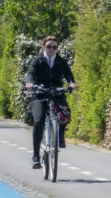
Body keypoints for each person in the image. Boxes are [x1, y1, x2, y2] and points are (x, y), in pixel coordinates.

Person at [25, 36, 77, 169]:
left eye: (54, 47)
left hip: (56, 92)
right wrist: (30, 83)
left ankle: (60, 134)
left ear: (57, 49)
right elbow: (30, 74)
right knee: (38, 121)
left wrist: (71, 83)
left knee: (66, 114)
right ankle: (36, 156)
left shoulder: (60, 61)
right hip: (40, 93)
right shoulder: (37, 60)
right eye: (49, 46)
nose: (51, 49)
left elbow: (68, 74)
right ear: (43, 47)